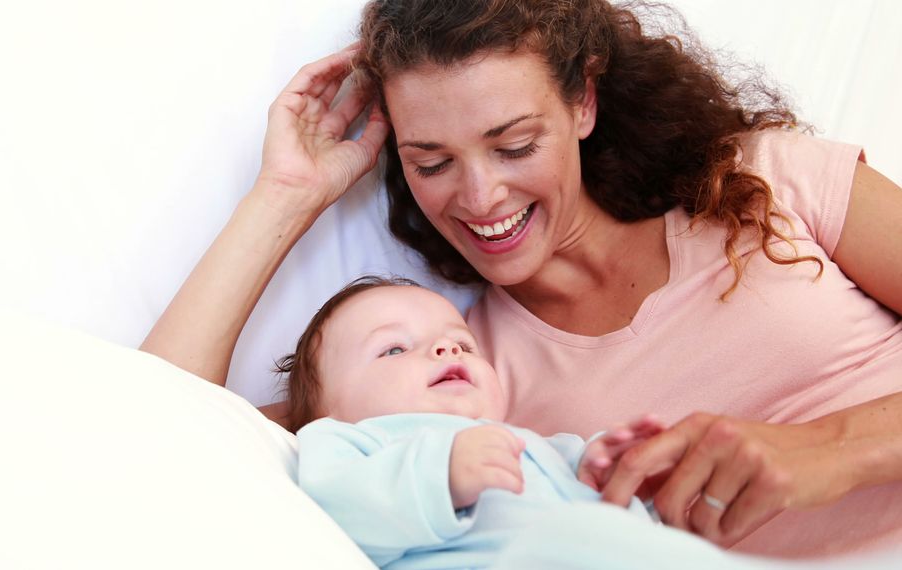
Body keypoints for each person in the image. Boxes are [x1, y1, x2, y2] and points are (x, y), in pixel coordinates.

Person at [140, 0, 902, 557]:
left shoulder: (764, 179)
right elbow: (160, 429)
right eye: (430, 162)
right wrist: (287, 193)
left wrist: (836, 448)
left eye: (513, 144)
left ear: (582, 101)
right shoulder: (457, 376)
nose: (478, 199)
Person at [283, 275, 662, 568]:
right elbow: (341, 508)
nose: (446, 349)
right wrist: (439, 476)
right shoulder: (347, 440)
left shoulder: (544, 447)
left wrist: (605, 468)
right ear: (329, 408)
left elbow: (596, 491)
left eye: (463, 345)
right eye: (395, 348)